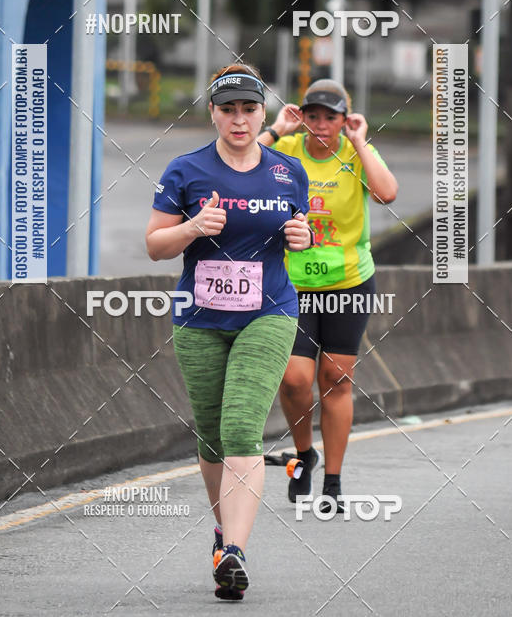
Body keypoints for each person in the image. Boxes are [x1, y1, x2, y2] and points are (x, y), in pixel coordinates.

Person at [145, 63, 312, 601]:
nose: (239, 120)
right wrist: (192, 228)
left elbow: (299, 234)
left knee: (242, 428)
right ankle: (223, 537)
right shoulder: (185, 171)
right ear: (213, 113)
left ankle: (235, 552)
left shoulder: (288, 173)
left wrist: (302, 236)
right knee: (211, 436)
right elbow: (154, 245)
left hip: (270, 313)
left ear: (263, 112)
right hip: (200, 320)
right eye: (228, 109)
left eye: (249, 109)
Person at [258, 79, 398, 513]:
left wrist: (359, 142)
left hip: (348, 285)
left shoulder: (355, 152)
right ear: (302, 115)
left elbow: (387, 193)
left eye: (331, 117)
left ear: (344, 119)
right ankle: (304, 455)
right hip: (293, 285)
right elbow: (236, 163)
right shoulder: (289, 151)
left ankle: (333, 481)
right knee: (295, 380)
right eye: (313, 115)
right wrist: (277, 130)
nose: (321, 125)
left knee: (335, 379)